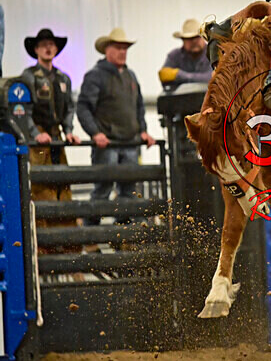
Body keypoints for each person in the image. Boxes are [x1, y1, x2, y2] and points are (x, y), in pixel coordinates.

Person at [76, 28, 156, 223]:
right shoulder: (96, 76)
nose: (123, 52)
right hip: (108, 144)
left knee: (128, 191)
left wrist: (143, 130)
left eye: (125, 48)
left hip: (130, 143)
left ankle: (120, 237)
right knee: (103, 189)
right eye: (118, 48)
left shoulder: (130, 76)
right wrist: (95, 133)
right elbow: (83, 107)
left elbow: (138, 106)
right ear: (107, 50)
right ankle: (91, 236)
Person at [21, 28, 81, 238]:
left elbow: (69, 108)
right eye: (43, 45)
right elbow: (24, 109)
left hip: (56, 137)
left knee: (62, 186)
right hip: (40, 137)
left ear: (56, 49)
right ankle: (45, 243)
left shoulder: (63, 78)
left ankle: (67, 243)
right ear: (36, 49)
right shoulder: (29, 77)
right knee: (41, 187)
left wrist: (69, 130)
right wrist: (34, 133)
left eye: (51, 45)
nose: (48, 48)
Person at [159, 19, 213, 91]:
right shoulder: (174, 56)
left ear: (204, 37)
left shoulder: (214, 54)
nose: (194, 41)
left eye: (197, 37)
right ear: (183, 40)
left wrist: (178, 75)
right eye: (190, 38)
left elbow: (212, 78)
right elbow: (166, 85)